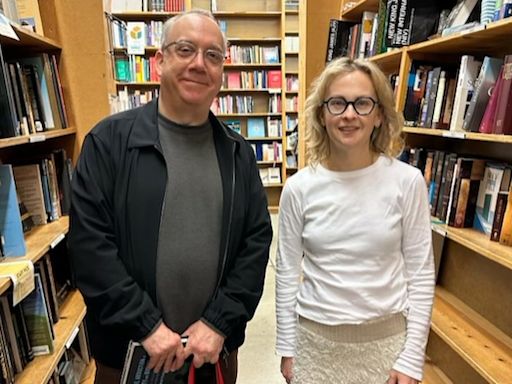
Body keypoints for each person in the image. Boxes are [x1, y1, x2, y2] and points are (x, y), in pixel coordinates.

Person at [69, 9, 272, 384]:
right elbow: (90, 248)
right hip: (132, 358)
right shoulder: (109, 143)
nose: (199, 64)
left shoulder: (237, 153)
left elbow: (255, 244)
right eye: (185, 49)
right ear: (159, 62)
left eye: (213, 55)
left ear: (221, 74)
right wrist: (146, 326)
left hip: (211, 356)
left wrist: (218, 322)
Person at [275, 57, 435, 384]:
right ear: (322, 113)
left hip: (387, 348)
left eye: (362, 103)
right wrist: (287, 345)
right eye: (337, 103)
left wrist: (413, 354)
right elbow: (287, 270)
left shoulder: (407, 182)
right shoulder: (299, 188)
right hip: (315, 346)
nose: (349, 114)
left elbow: (420, 272)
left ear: (379, 114)